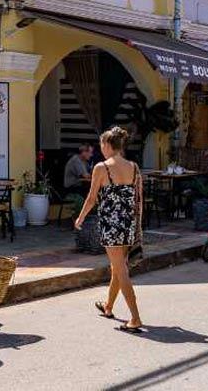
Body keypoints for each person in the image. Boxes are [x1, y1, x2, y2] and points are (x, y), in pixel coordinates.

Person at [74, 126, 144, 333]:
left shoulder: (101, 168)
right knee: (118, 267)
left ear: (107, 145)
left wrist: (80, 217)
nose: (100, 149)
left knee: (121, 271)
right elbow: (138, 198)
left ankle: (135, 318)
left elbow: (92, 198)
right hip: (128, 223)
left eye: (101, 145)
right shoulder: (134, 167)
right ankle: (108, 306)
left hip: (111, 225)